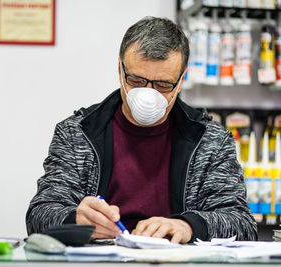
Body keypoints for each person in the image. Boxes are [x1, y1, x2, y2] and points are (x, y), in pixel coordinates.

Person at [26, 16, 257, 243]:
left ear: (181, 80)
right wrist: (74, 219)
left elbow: (241, 224)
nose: (148, 94)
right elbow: (39, 214)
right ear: (120, 71)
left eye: (163, 85)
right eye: (136, 80)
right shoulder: (77, 133)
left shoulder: (211, 141)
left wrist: (188, 226)